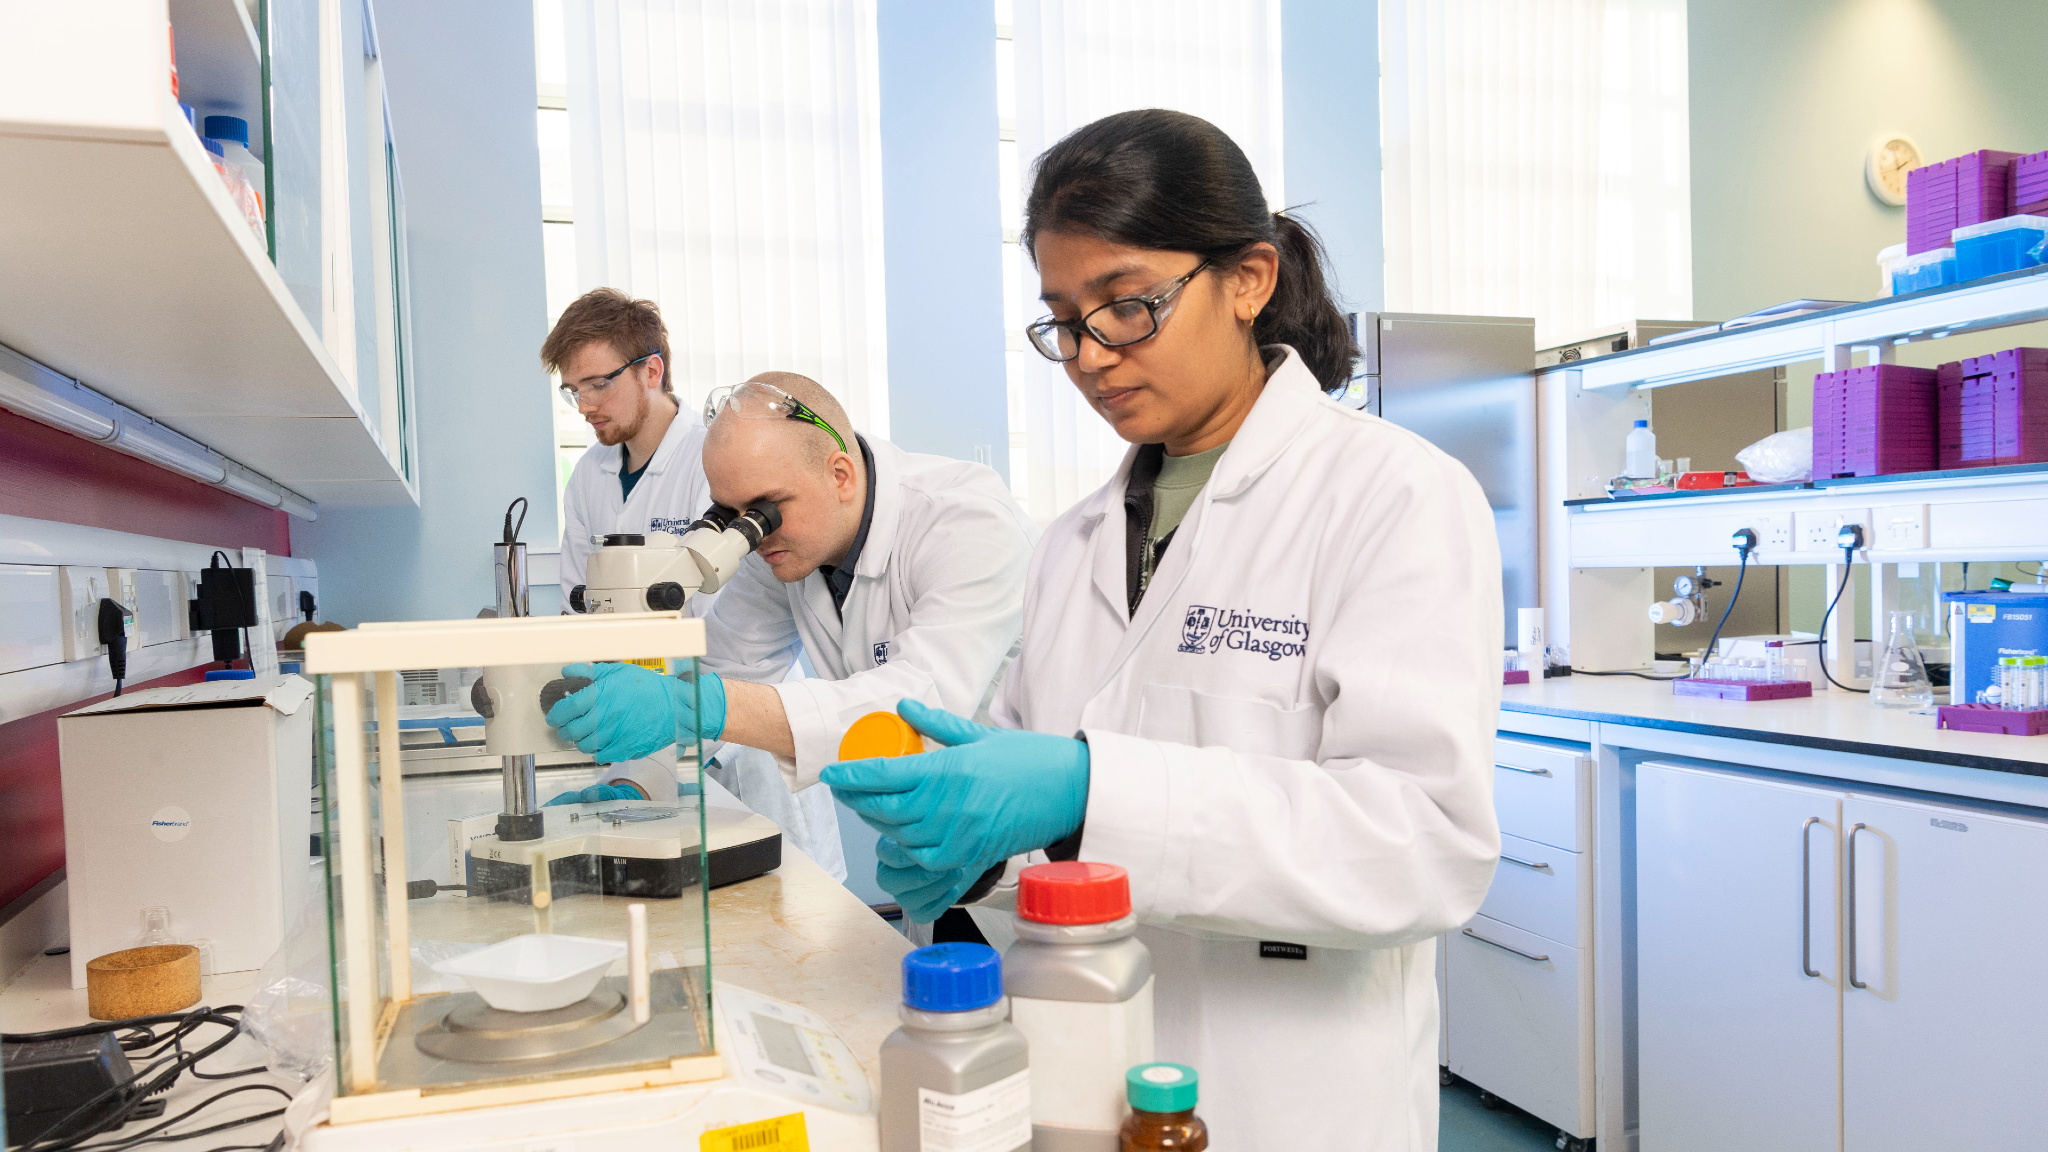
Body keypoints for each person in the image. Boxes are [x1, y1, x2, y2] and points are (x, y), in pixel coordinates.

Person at [820, 109, 1503, 1149]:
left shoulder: (1392, 495)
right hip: (1077, 1079)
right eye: (1062, 320)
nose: (1090, 355)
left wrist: (1095, 790)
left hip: (1285, 1099)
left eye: (1126, 306)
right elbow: (1030, 782)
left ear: (1247, 280)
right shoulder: (1071, 541)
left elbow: (1421, 846)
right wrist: (975, 853)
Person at [544, 370, 1038, 924]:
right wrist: (638, 782)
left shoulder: (966, 525)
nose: (753, 534)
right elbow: (730, 667)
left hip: (1026, 852)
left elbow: (915, 708)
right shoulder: (781, 551)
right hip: (926, 848)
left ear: (841, 474)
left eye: (766, 508)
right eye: (731, 514)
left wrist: (692, 705)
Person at [540, 290, 843, 877]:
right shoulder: (587, 478)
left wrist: (677, 712)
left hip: (738, 734)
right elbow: (580, 610)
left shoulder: (717, 460)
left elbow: (746, 634)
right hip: (641, 731)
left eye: (597, 384)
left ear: (651, 369)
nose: (584, 405)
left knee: (790, 915)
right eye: (573, 390)